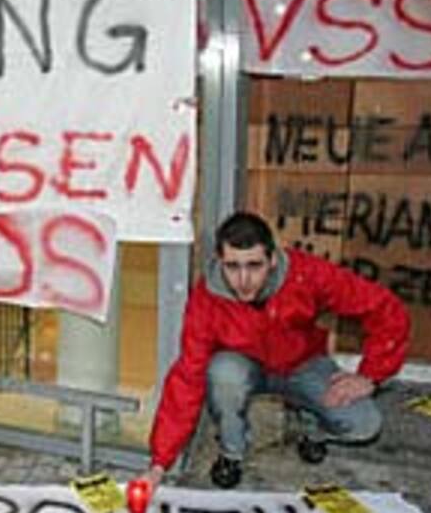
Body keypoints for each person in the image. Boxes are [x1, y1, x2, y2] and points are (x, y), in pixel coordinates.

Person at [138, 211, 410, 493]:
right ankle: (232, 452)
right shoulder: (207, 298)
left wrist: (370, 375)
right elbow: (187, 376)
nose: (243, 279)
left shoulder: (306, 273)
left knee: (365, 424)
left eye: (254, 265)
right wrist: (159, 464)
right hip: (245, 368)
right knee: (223, 372)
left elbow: (385, 308)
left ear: (273, 260)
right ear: (220, 261)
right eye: (232, 267)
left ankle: (312, 429)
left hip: (302, 365)